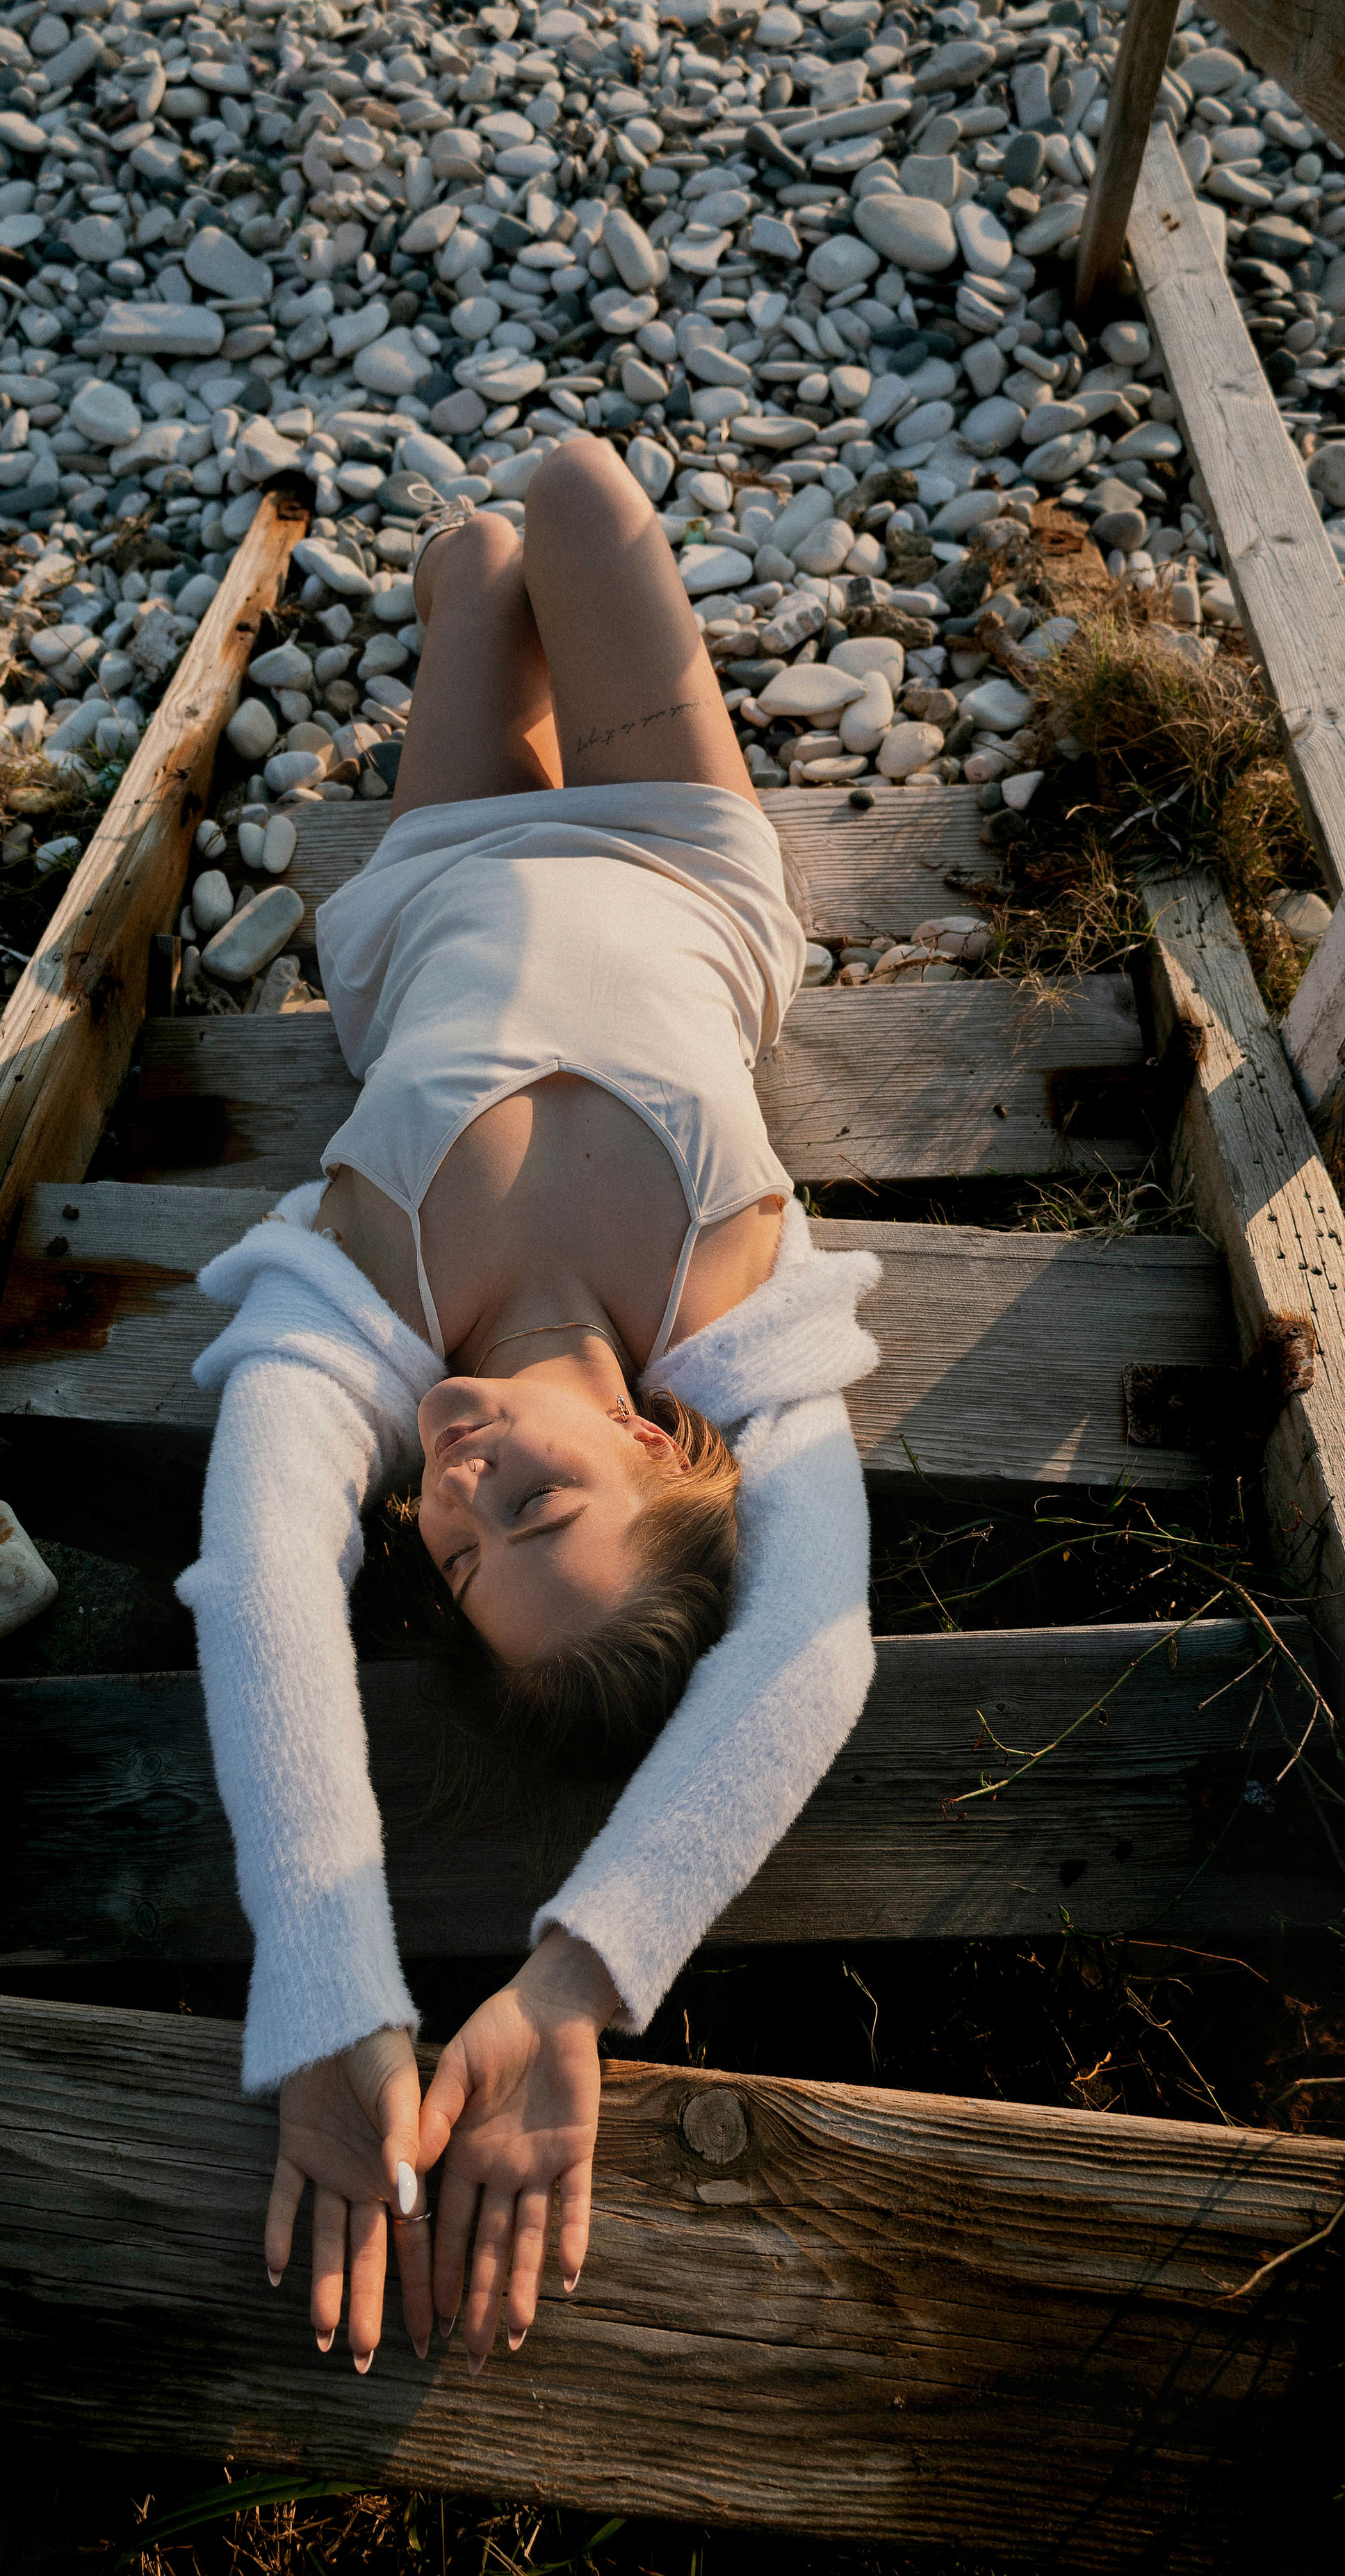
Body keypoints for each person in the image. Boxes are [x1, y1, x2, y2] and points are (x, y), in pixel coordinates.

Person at [176, 437, 881, 2380]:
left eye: (457, 1555)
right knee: (574, 490)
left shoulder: (363, 1314)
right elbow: (816, 1645)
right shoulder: (734, 1318)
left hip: (435, 889)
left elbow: (260, 1577)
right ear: (660, 1449)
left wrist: (334, 1997)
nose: (457, 1490)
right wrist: (583, 1973)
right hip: (676, 853)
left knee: (477, 552)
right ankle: (511, 617)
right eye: (537, 1512)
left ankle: (467, 614)